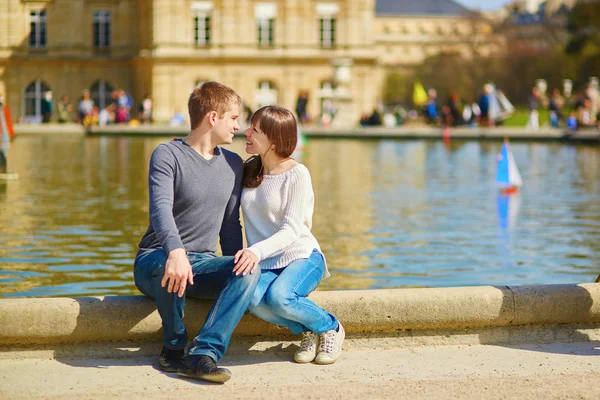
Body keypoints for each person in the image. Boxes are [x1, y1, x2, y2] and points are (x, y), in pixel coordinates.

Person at [133, 81, 260, 384]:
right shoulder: (167, 154)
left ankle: (203, 354)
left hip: (201, 264)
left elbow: (230, 226)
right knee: (168, 261)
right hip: (156, 259)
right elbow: (160, 210)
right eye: (233, 118)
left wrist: (235, 271)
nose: (238, 126)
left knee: (248, 268)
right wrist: (175, 251)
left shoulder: (232, 164)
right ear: (213, 118)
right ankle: (173, 346)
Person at [236, 105, 344, 365]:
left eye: (255, 129)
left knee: (280, 297)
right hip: (267, 262)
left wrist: (255, 251)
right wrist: (184, 150)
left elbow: (292, 230)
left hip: (302, 256)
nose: (246, 132)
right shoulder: (249, 170)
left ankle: (330, 327)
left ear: (274, 140)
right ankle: (307, 328)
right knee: (251, 299)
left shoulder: (297, 174)